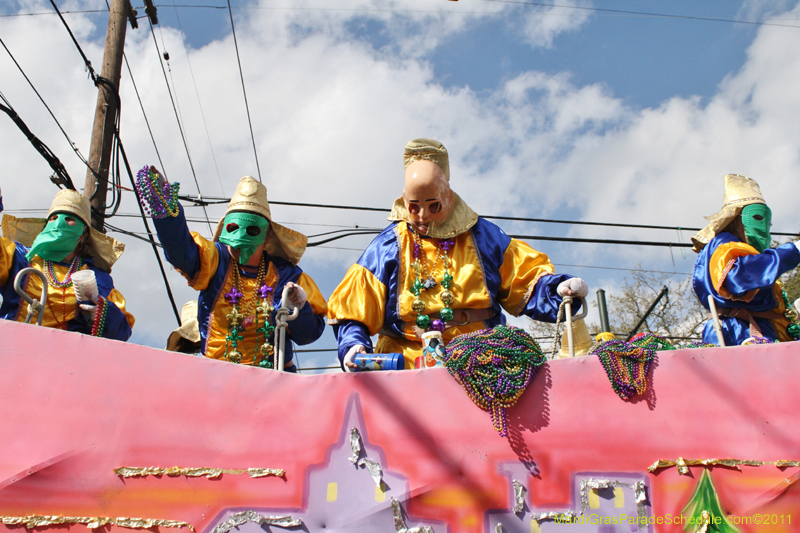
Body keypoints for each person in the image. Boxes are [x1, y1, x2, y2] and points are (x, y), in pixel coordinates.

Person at [327, 138, 589, 370]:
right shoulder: (387, 245)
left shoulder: (483, 237)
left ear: (448, 198)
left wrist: (558, 290)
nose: (422, 215)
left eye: (433, 205)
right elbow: (355, 308)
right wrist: (353, 344)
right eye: (414, 207)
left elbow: (526, 282)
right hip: (406, 369)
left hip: (483, 361)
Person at [137, 166, 327, 371]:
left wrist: (297, 305)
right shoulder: (215, 260)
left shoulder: (287, 275)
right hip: (215, 379)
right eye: (233, 228)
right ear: (225, 227)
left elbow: (308, 335)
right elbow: (181, 252)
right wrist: (168, 213)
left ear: (267, 235)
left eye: (253, 230)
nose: (241, 240)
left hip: (272, 383)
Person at [0, 189, 134, 340]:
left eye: (69, 219)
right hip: (11, 347)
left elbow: (122, 332)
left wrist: (103, 314)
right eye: (54, 218)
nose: (59, 223)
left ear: (83, 233)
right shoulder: (19, 257)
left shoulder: (96, 278)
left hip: (65, 357)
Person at [691, 174, 800, 345]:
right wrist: (793, 251)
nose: (764, 227)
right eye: (757, 218)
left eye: (768, 223)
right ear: (737, 219)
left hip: (764, 334)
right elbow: (740, 277)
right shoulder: (725, 244)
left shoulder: (745, 252)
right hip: (742, 333)